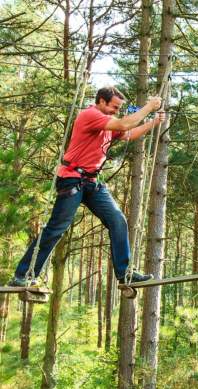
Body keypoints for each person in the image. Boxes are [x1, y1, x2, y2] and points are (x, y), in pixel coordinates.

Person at [8, 86, 165, 287]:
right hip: (72, 179)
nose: (116, 111)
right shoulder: (90, 115)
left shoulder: (108, 124)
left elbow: (128, 133)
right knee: (57, 228)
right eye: (113, 107)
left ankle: (125, 273)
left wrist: (153, 122)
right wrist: (150, 106)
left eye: (118, 108)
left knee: (117, 220)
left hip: (91, 182)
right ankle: (23, 275)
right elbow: (125, 124)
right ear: (101, 101)